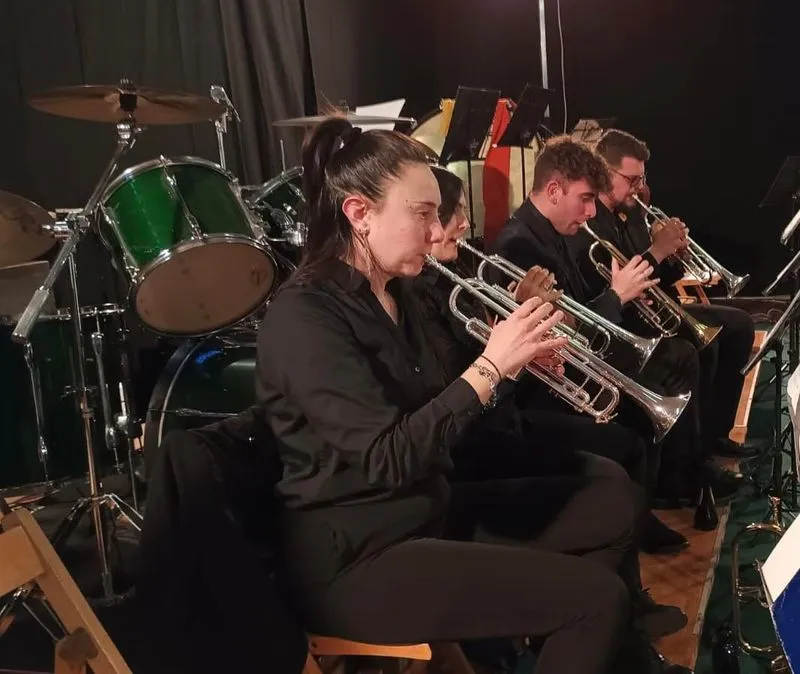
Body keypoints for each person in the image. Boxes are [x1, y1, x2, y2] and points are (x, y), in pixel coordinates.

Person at [255, 118, 687, 674]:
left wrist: (515, 364)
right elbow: (386, 458)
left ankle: (567, 652)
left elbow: (444, 402)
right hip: (359, 556)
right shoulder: (304, 316)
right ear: (360, 213)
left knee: (617, 503)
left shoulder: (397, 291)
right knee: (594, 601)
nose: (437, 231)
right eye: (423, 214)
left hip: (425, 509)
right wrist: (491, 366)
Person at [416, 167, 687, 555]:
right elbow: (469, 368)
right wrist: (526, 323)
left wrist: (527, 323)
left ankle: (658, 505)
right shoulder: (514, 244)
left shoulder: (459, 268)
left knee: (637, 427)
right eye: (454, 212)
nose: (465, 223)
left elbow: (559, 323)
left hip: (510, 405)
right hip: (488, 426)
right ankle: (633, 532)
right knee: (620, 454)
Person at [490, 135, 722, 510]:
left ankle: (670, 484)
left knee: (671, 369)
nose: (590, 212)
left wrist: (622, 291)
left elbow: (580, 311)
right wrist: (617, 295)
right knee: (655, 390)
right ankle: (657, 497)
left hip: (584, 355)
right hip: (551, 382)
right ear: (554, 190)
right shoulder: (519, 245)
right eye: (584, 199)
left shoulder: (555, 232)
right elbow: (569, 332)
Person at [565, 129, 747, 502]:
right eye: (632, 179)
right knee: (690, 349)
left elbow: (655, 279)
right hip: (622, 321)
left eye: (642, 179)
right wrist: (658, 252)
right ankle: (682, 470)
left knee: (738, 326)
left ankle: (711, 437)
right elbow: (618, 281)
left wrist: (674, 254)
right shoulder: (590, 221)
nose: (640, 188)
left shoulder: (630, 213)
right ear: (605, 173)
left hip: (646, 308)